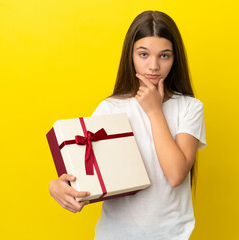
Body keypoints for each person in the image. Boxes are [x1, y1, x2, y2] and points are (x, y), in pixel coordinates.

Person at [49, 10, 206, 239]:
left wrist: (154, 111)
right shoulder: (110, 108)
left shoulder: (190, 107)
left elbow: (176, 174)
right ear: (130, 55)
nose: (153, 66)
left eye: (164, 56)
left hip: (172, 235)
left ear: (175, 58)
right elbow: (86, 175)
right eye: (143, 54)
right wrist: (56, 186)